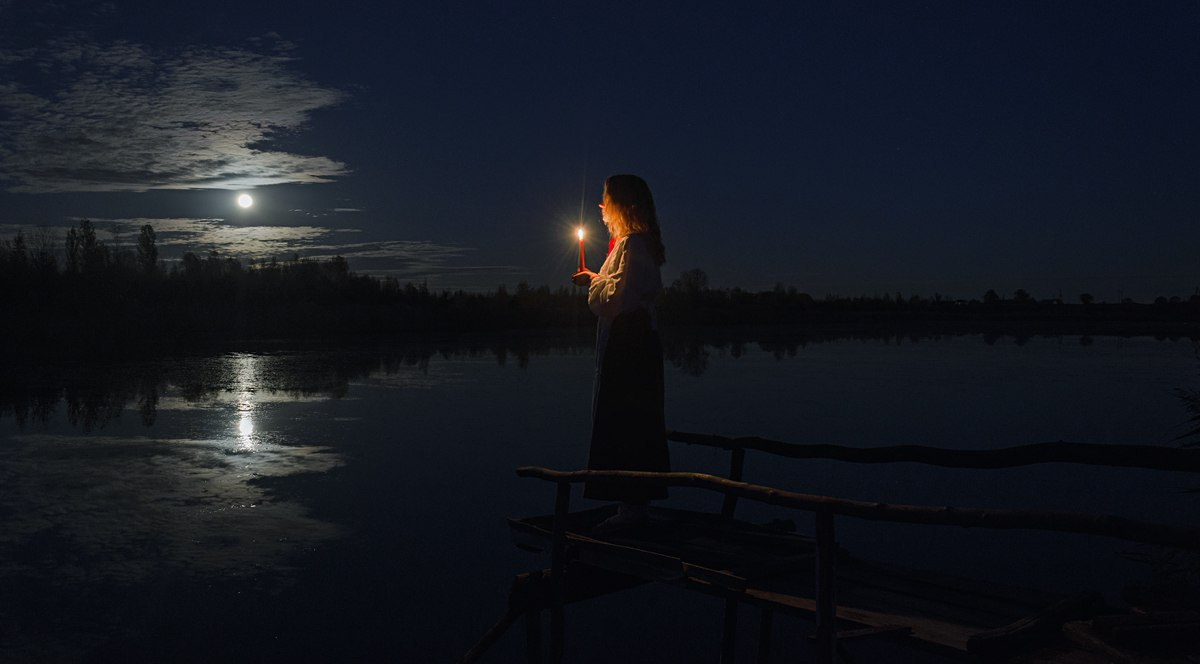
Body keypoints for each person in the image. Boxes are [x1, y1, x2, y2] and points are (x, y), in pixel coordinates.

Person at [572, 174, 669, 530]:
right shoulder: (628, 245)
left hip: (632, 349)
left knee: (629, 421)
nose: (600, 205)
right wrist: (598, 277)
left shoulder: (635, 245)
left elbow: (619, 299)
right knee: (625, 420)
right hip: (629, 346)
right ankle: (630, 505)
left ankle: (632, 509)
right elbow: (621, 288)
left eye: (605, 198)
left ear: (623, 204)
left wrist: (594, 284)